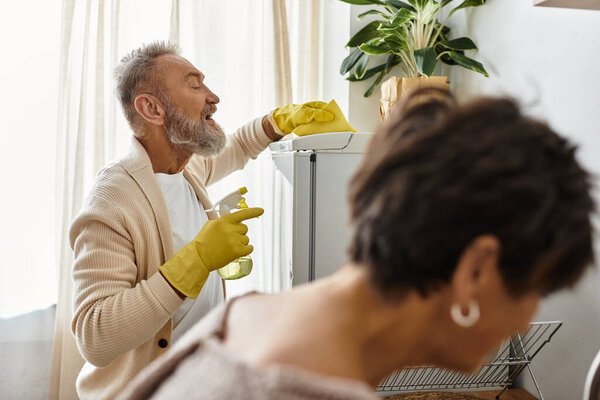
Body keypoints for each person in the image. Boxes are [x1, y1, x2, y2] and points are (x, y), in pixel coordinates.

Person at [117, 89, 595, 400]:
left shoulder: (240, 319)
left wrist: (273, 124)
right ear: (477, 270)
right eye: (534, 288)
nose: (528, 317)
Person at [69, 41, 353, 400]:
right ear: (152, 108)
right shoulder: (112, 201)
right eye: (195, 85)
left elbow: (234, 149)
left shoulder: (183, 171)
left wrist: (277, 121)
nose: (213, 96)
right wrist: (197, 260)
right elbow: (94, 336)